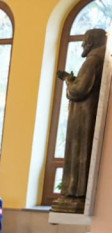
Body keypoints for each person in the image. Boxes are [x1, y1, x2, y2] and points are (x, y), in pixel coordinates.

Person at [57, 28, 107, 204]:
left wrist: (69, 82)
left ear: (91, 41)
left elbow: (78, 90)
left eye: (84, 41)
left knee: (79, 151)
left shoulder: (93, 59)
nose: (82, 45)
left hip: (84, 116)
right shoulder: (104, 57)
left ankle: (75, 193)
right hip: (91, 112)